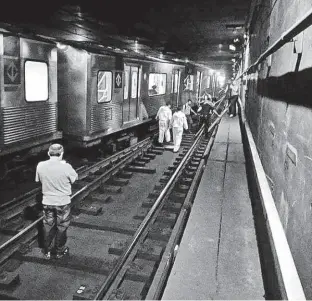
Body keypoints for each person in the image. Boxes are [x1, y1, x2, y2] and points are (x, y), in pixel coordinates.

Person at [35, 144, 78, 259]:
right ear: (62, 153)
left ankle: (47, 251)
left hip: (47, 202)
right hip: (62, 202)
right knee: (62, 226)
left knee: (48, 225)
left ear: (48, 153)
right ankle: (59, 251)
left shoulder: (40, 165)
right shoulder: (66, 167)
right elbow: (75, 179)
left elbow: (38, 180)